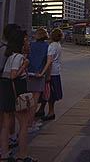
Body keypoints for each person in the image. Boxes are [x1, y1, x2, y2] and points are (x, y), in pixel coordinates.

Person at [0, 27, 38, 162]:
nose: (27, 42)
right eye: (25, 40)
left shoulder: (9, 56)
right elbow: (13, 75)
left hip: (7, 93)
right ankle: (22, 155)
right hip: (17, 95)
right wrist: (25, 65)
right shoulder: (18, 57)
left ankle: (4, 153)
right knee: (23, 124)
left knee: (6, 123)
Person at [35, 28, 63, 121]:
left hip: (51, 72)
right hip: (56, 71)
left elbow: (49, 61)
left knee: (49, 93)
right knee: (47, 92)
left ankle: (51, 112)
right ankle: (42, 109)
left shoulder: (51, 46)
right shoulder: (58, 45)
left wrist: (46, 74)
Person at [26, 28, 49, 132]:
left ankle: (26, 122)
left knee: (27, 100)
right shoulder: (46, 46)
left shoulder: (31, 45)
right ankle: (30, 124)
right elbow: (48, 62)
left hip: (29, 74)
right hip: (39, 74)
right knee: (34, 101)